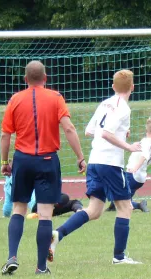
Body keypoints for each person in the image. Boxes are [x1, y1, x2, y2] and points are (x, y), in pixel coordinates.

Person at [48, 69, 143, 265]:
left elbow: (90, 131)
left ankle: (58, 234)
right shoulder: (123, 108)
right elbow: (107, 133)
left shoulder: (105, 103)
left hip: (95, 162)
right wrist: (128, 146)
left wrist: (119, 133)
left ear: (113, 86)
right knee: (125, 207)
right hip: (110, 163)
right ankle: (119, 257)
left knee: (95, 210)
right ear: (132, 87)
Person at [0, 60, 86, 275]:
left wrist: (4, 162)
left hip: (22, 159)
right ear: (45, 78)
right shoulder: (56, 98)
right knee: (46, 214)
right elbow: (68, 128)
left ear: (25, 79)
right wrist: (80, 156)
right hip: (48, 160)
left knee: (19, 208)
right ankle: (41, 267)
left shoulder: (15, 100)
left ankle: (12, 256)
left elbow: (5, 135)